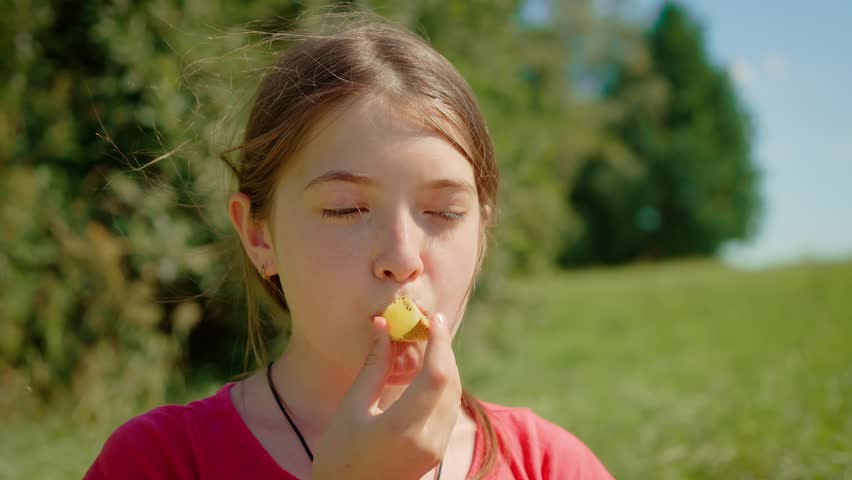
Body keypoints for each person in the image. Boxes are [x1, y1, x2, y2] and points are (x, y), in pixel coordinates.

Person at [84, 14, 614, 480]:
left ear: (482, 236)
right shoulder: (162, 463)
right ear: (258, 235)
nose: (403, 259)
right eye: (346, 209)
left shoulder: (547, 464)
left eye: (445, 213)